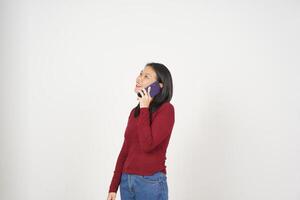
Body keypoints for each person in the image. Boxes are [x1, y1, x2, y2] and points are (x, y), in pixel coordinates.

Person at [107, 62, 175, 200]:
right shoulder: (135, 113)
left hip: (150, 183)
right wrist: (114, 186)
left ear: (159, 86)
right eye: (140, 74)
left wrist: (145, 107)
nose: (139, 79)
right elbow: (125, 150)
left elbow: (147, 145)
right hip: (127, 182)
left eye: (146, 76)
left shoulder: (166, 110)